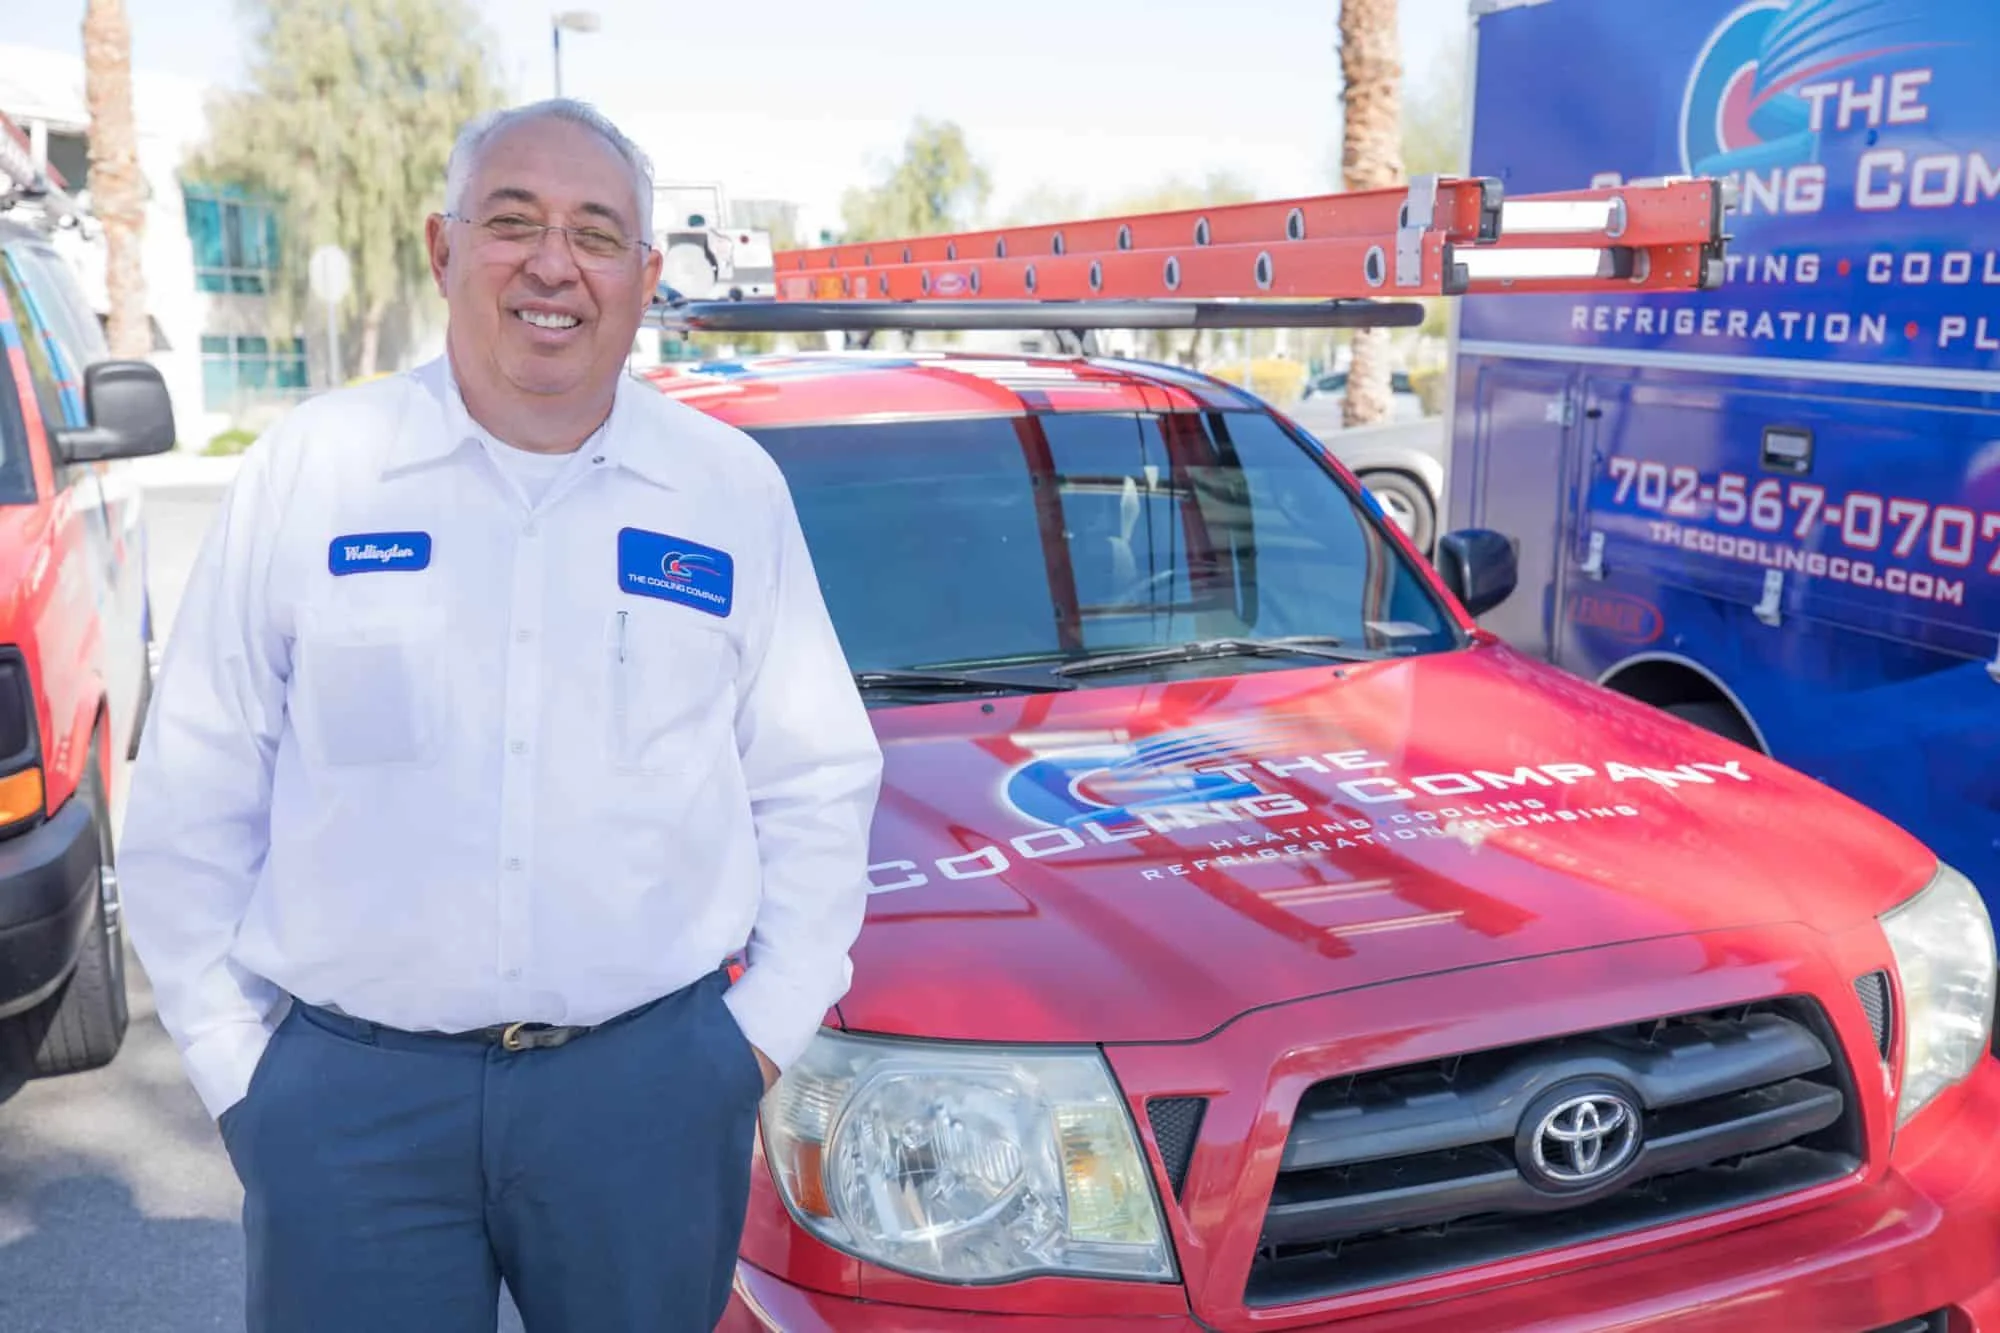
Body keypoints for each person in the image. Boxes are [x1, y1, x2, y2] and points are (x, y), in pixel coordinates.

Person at [116, 98, 884, 1332]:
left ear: (644, 276)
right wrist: (237, 1069)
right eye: (513, 222)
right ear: (442, 248)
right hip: (350, 1107)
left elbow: (814, 779)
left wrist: (749, 1041)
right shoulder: (316, 469)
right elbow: (197, 778)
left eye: (596, 234)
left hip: (646, 1098)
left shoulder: (726, 492)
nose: (552, 265)